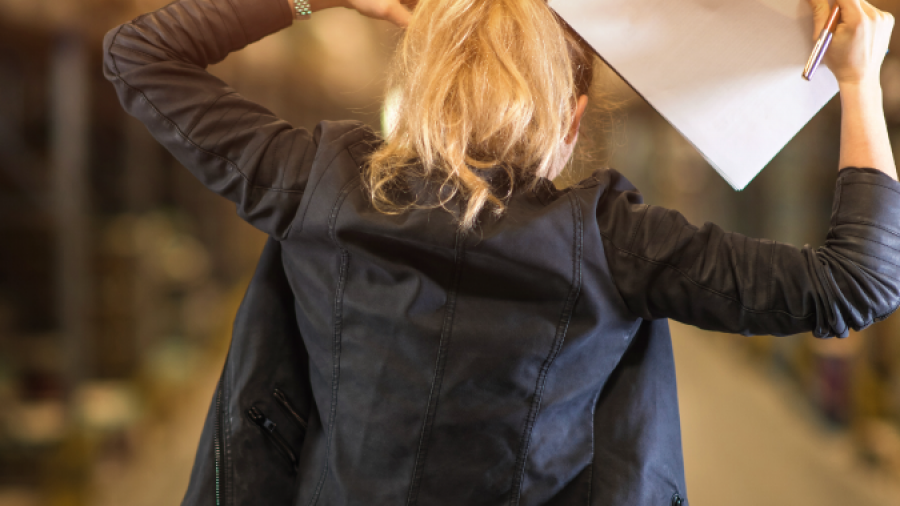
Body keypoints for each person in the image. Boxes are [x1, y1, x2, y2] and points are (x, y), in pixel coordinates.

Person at [102, 0, 900, 504]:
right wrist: (858, 83)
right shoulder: (618, 242)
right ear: (571, 118)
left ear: (414, 93)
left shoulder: (317, 184)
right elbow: (857, 283)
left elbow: (137, 55)